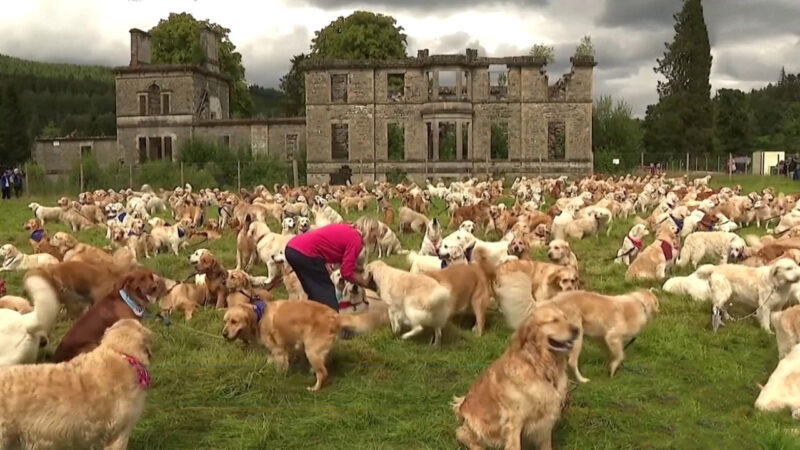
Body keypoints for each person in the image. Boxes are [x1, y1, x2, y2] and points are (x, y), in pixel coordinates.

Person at [284, 221, 374, 312]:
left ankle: (312, 319)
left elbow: (345, 262)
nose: (375, 240)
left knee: (315, 292)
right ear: (370, 230)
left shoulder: (347, 229)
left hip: (293, 247)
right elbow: (346, 272)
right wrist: (363, 282)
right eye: (375, 236)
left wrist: (360, 269)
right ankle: (332, 321)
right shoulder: (356, 240)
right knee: (326, 294)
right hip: (306, 253)